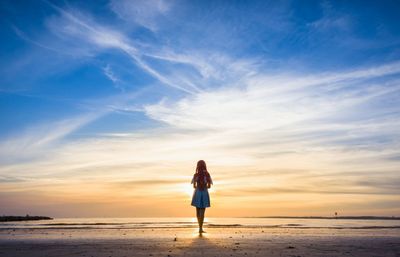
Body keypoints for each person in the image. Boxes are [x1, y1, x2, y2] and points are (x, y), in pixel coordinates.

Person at [191, 160, 213, 233]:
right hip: (204, 192)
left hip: (197, 192)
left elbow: (194, 186)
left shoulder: (196, 175)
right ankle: (201, 228)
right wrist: (205, 185)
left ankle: (199, 227)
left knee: (197, 210)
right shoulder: (207, 174)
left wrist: (198, 185)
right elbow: (209, 186)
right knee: (203, 211)